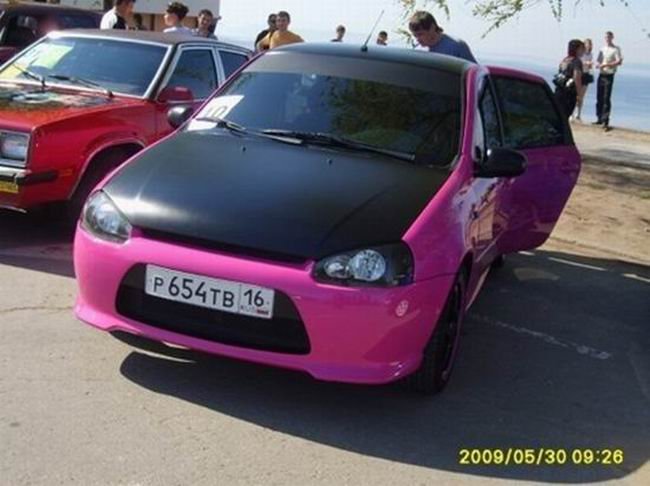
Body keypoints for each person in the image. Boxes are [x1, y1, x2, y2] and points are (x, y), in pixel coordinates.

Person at [408, 11, 476, 62]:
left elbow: (475, 73)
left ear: (432, 28)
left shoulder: (456, 46)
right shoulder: (418, 51)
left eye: (420, 34)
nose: (417, 39)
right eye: (415, 35)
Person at [594, 31, 623, 131]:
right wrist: (598, 64)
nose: (607, 39)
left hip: (609, 74)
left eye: (609, 37)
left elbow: (619, 61)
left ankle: (605, 120)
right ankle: (599, 118)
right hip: (601, 74)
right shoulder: (602, 49)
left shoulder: (615, 49)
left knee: (606, 97)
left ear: (612, 38)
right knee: (599, 96)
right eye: (606, 37)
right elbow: (598, 60)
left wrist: (607, 65)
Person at [554, 39, 585, 121]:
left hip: (559, 90)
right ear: (577, 49)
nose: (583, 51)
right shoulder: (577, 62)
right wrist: (579, 95)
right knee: (564, 116)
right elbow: (577, 77)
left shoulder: (565, 60)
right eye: (581, 49)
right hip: (569, 93)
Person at [573, 38, 593, 121]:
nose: (589, 46)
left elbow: (589, 66)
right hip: (580, 74)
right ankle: (572, 113)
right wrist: (586, 63)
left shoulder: (590, 54)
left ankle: (578, 114)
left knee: (581, 96)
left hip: (586, 75)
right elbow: (579, 62)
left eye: (590, 44)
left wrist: (590, 65)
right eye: (588, 44)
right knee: (575, 94)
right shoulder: (581, 54)